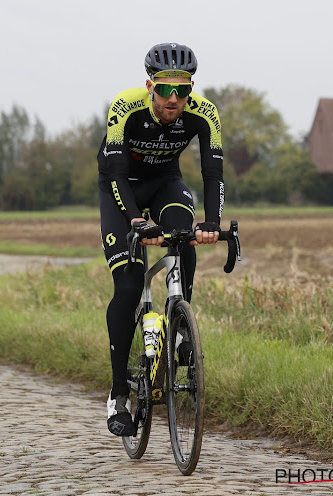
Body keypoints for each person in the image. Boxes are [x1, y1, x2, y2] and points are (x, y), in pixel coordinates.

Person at [98, 43, 225, 436]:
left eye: (183, 90)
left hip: (166, 183)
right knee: (130, 284)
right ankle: (119, 394)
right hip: (120, 189)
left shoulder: (205, 114)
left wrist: (214, 224)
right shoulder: (125, 106)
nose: (174, 99)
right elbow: (116, 173)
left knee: (184, 235)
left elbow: (212, 174)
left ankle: (181, 325)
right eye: (166, 89)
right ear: (150, 86)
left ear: (191, 89)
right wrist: (136, 220)